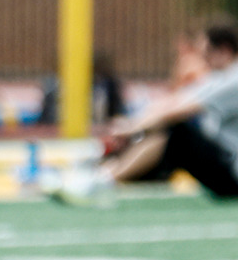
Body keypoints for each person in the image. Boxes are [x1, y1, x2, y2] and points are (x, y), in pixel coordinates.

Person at [54, 22, 238, 204]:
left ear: (223, 50)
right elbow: (170, 103)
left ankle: (101, 180)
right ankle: (96, 174)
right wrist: (132, 125)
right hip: (224, 164)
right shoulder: (219, 78)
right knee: (161, 134)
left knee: (176, 134)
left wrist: (132, 129)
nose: (203, 61)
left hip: (232, 172)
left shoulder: (234, 80)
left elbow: (177, 111)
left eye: (206, 55)